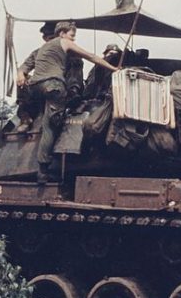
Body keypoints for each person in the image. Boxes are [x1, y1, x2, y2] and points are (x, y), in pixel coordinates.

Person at [28, 21, 119, 184]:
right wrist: (114, 69)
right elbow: (91, 56)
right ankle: (43, 171)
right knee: (52, 126)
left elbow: (23, 70)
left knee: (47, 120)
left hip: (36, 86)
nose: (73, 39)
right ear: (62, 34)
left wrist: (21, 75)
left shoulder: (42, 49)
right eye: (72, 35)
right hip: (55, 86)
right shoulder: (64, 43)